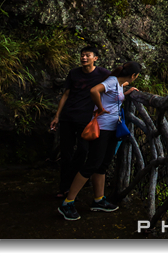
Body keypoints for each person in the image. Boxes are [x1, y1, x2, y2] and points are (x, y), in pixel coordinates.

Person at [58, 61, 141, 221]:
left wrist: (127, 92)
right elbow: (94, 90)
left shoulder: (118, 82)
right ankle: (67, 202)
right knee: (92, 164)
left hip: (112, 129)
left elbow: (115, 94)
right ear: (134, 76)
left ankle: (98, 200)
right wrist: (100, 108)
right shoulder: (111, 81)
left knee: (103, 164)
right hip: (102, 128)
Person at [50, 46, 111, 200]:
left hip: (86, 120)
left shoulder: (103, 73)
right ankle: (64, 187)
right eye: (82, 55)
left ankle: (75, 184)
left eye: (87, 55)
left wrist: (128, 89)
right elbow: (66, 95)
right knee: (66, 153)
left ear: (95, 58)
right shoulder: (74, 73)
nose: (84, 58)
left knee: (83, 151)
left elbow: (115, 84)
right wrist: (57, 116)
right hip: (68, 117)